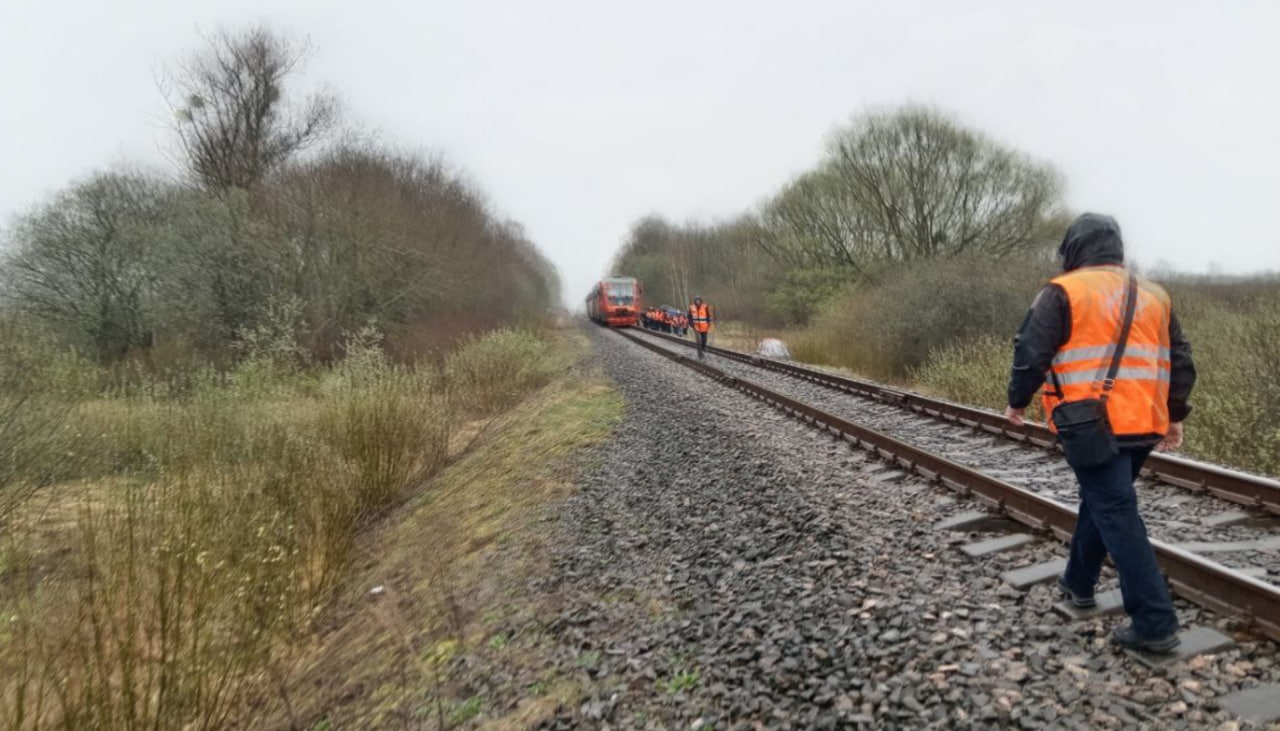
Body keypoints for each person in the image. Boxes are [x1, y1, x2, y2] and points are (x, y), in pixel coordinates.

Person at [1005, 213, 1196, 654]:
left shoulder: (1063, 291)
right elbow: (1180, 359)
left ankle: (1154, 622)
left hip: (1090, 424)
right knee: (1104, 502)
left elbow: (1031, 350)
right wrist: (1175, 414)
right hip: (1144, 422)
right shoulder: (1155, 295)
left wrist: (1017, 400)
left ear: (1073, 247)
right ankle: (1078, 584)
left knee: (1116, 512)